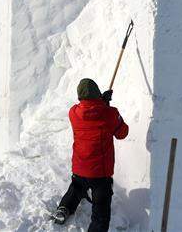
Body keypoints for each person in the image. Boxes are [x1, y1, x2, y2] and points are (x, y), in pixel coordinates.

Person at [52, 78, 129, 231]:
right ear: (97, 93)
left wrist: (101, 103)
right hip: (100, 175)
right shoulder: (111, 114)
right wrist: (105, 104)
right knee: (101, 213)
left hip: (80, 169)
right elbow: (123, 133)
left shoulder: (73, 113)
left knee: (76, 189)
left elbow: (92, 113)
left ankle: (64, 208)